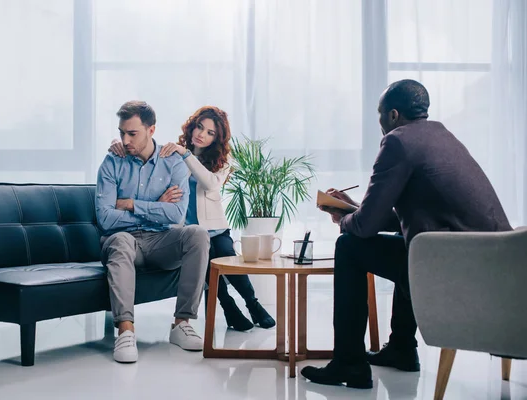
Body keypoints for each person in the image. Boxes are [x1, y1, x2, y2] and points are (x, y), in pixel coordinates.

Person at [301, 80, 512, 388]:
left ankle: (349, 363)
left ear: (393, 115)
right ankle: (402, 348)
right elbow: (402, 218)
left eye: (379, 114)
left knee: (348, 246)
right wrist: (355, 209)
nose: (379, 122)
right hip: (492, 267)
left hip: (460, 270)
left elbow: (364, 228)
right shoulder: (441, 136)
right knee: (409, 245)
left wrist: (344, 220)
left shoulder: (398, 141)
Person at [109, 106, 275, 332]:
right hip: (187, 230)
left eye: (210, 133)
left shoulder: (222, 160)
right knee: (206, 267)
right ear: (192, 125)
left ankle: (253, 305)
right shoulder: (172, 153)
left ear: (217, 138)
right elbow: (149, 166)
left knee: (230, 264)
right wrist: (116, 145)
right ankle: (228, 308)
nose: (202, 135)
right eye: (200, 127)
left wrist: (186, 155)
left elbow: (210, 183)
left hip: (216, 229)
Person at [96, 100, 210, 364]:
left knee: (197, 234)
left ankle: (181, 324)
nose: (125, 140)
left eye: (132, 133)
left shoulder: (173, 163)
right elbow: (105, 218)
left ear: (151, 130)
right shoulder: (113, 162)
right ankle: (125, 331)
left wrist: (132, 204)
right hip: (124, 241)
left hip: (161, 241)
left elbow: (176, 215)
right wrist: (157, 205)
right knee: (121, 239)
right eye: (122, 132)